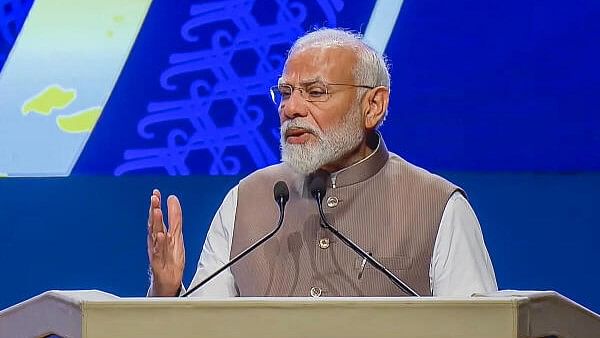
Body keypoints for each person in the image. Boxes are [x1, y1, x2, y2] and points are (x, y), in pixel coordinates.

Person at [147, 28, 497, 298]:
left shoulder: (437, 206)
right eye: (285, 92)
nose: (292, 108)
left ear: (373, 106)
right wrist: (167, 291)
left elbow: (480, 329)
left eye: (315, 93)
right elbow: (203, 328)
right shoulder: (248, 199)